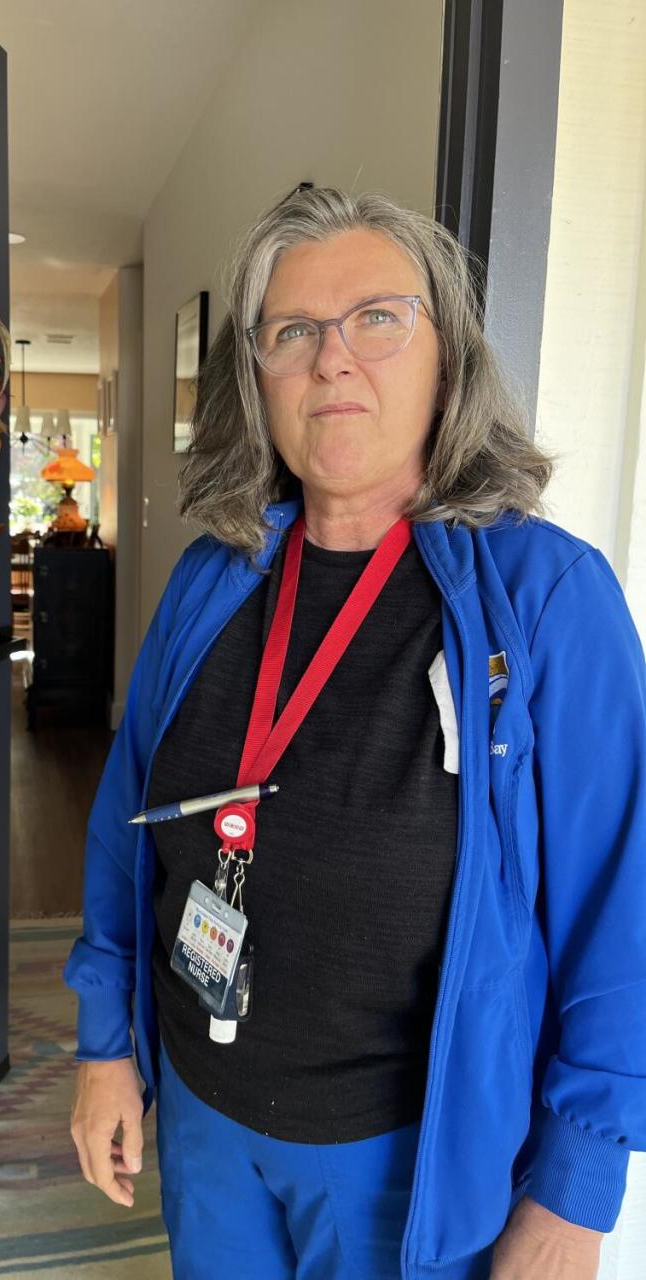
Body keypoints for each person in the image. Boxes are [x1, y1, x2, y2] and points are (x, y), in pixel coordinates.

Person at [63, 185, 646, 1279]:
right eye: (292, 331)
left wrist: (577, 1182)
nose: (334, 360)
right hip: (205, 1118)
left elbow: (627, 905)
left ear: (448, 358)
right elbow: (124, 822)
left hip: (411, 1160)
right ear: (260, 376)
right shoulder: (209, 581)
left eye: (378, 317)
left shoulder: (549, 600)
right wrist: (105, 1045)